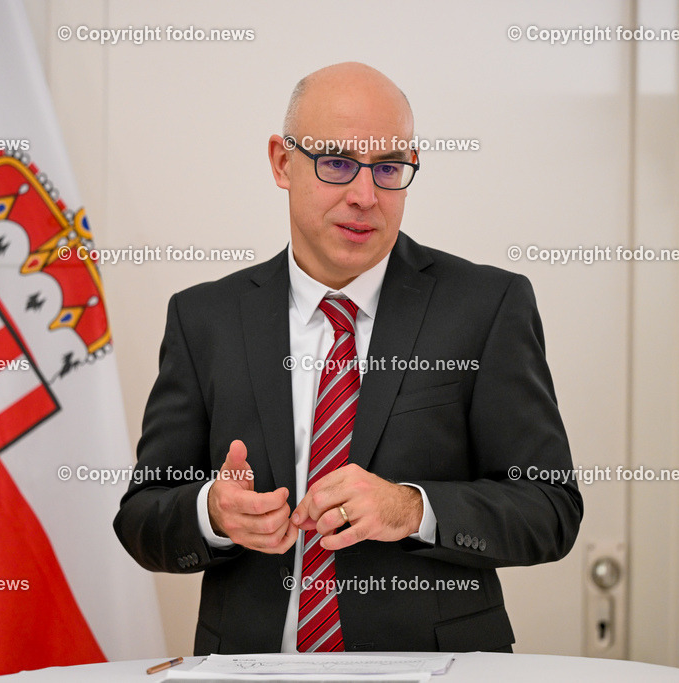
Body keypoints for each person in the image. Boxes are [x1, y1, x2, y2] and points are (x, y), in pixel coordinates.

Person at [114, 62, 582, 654]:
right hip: (248, 668)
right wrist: (212, 512)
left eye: (388, 168)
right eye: (336, 163)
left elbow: (550, 509)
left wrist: (412, 508)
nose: (365, 196)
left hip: (434, 669)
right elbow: (142, 519)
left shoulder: (487, 306)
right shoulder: (204, 318)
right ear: (282, 163)